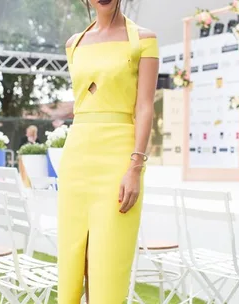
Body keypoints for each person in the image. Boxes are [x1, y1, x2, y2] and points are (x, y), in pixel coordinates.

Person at [58, 0, 159, 302]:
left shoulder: (143, 40)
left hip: (118, 158)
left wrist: (135, 168)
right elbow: (83, 103)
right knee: (74, 262)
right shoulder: (73, 44)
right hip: (76, 158)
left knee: (108, 264)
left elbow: (144, 108)